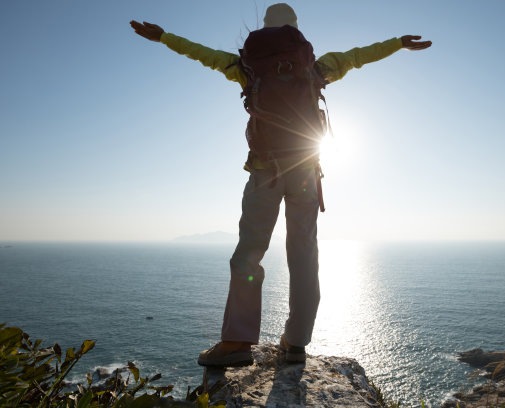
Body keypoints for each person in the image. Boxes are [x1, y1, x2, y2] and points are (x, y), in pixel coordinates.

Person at [130, 3, 431, 367]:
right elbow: (358, 56)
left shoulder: (246, 68)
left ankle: (238, 343)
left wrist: (163, 37)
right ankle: (296, 343)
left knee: (249, 254)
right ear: (295, 29)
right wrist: (398, 43)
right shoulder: (316, 67)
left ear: (264, 28)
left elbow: (203, 54)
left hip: (264, 171)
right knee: (304, 254)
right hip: (306, 170)